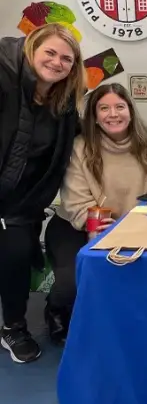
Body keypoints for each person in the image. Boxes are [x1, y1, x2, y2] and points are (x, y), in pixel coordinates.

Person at [44, 83, 147, 344]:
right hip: (77, 225)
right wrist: (99, 231)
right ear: (95, 116)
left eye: (119, 107)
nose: (113, 114)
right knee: (73, 280)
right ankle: (56, 309)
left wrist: (140, 223)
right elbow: (77, 200)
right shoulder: (80, 147)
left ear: (131, 111)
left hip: (135, 222)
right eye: (104, 108)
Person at [0, 23, 85, 364]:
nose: (57, 62)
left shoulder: (63, 105)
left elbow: (78, 140)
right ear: (32, 48)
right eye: (50, 52)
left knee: (16, 256)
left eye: (66, 58)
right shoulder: (5, 79)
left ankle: (13, 326)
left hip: (24, 200)